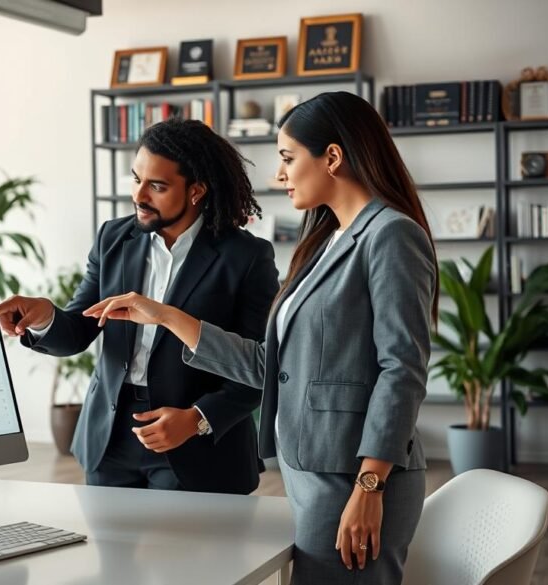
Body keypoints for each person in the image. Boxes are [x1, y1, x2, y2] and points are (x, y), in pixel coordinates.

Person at [82, 91, 437, 583]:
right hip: (315, 471)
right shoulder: (328, 240)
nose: (279, 174)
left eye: (288, 158)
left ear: (332, 158)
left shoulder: (390, 234)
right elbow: (271, 364)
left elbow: (402, 369)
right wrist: (164, 315)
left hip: (356, 475)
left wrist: (370, 485)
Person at [0, 118, 279, 494]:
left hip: (195, 444)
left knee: (182, 554)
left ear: (196, 191)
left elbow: (259, 367)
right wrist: (45, 318)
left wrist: (198, 419)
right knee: (108, 552)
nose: (139, 196)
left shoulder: (246, 257)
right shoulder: (113, 238)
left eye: (157, 186)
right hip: (110, 439)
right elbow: (79, 329)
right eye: (136, 180)